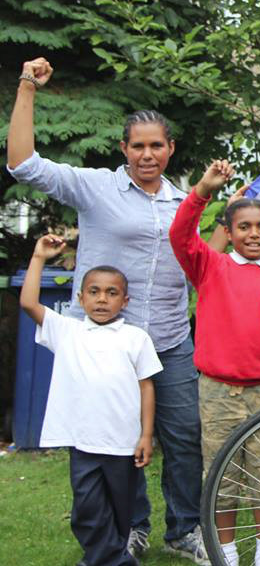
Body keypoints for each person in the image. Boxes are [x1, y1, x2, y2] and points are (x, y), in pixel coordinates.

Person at [6, 57, 207, 562]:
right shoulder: (94, 186)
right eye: (137, 145)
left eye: (156, 145)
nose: (147, 154)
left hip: (168, 339)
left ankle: (184, 529)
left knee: (184, 439)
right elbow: (22, 163)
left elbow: (200, 262)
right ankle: (131, 526)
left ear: (170, 148)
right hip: (106, 344)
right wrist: (28, 86)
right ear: (123, 149)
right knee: (118, 442)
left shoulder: (184, 203)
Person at [169, 160, 260, 566]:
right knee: (222, 478)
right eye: (243, 227)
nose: (253, 234)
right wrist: (203, 190)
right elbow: (180, 235)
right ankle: (224, 551)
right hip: (218, 392)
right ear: (228, 232)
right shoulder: (212, 267)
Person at [20, 235, 162, 566]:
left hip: (122, 443)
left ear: (124, 301)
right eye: (94, 292)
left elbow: (147, 386)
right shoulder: (67, 331)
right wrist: (39, 256)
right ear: (81, 298)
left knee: (120, 509)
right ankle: (113, 561)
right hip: (83, 442)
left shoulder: (135, 338)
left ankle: (108, 557)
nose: (102, 299)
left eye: (111, 293)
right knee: (86, 509)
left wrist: (145, 435)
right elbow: (28, 303)